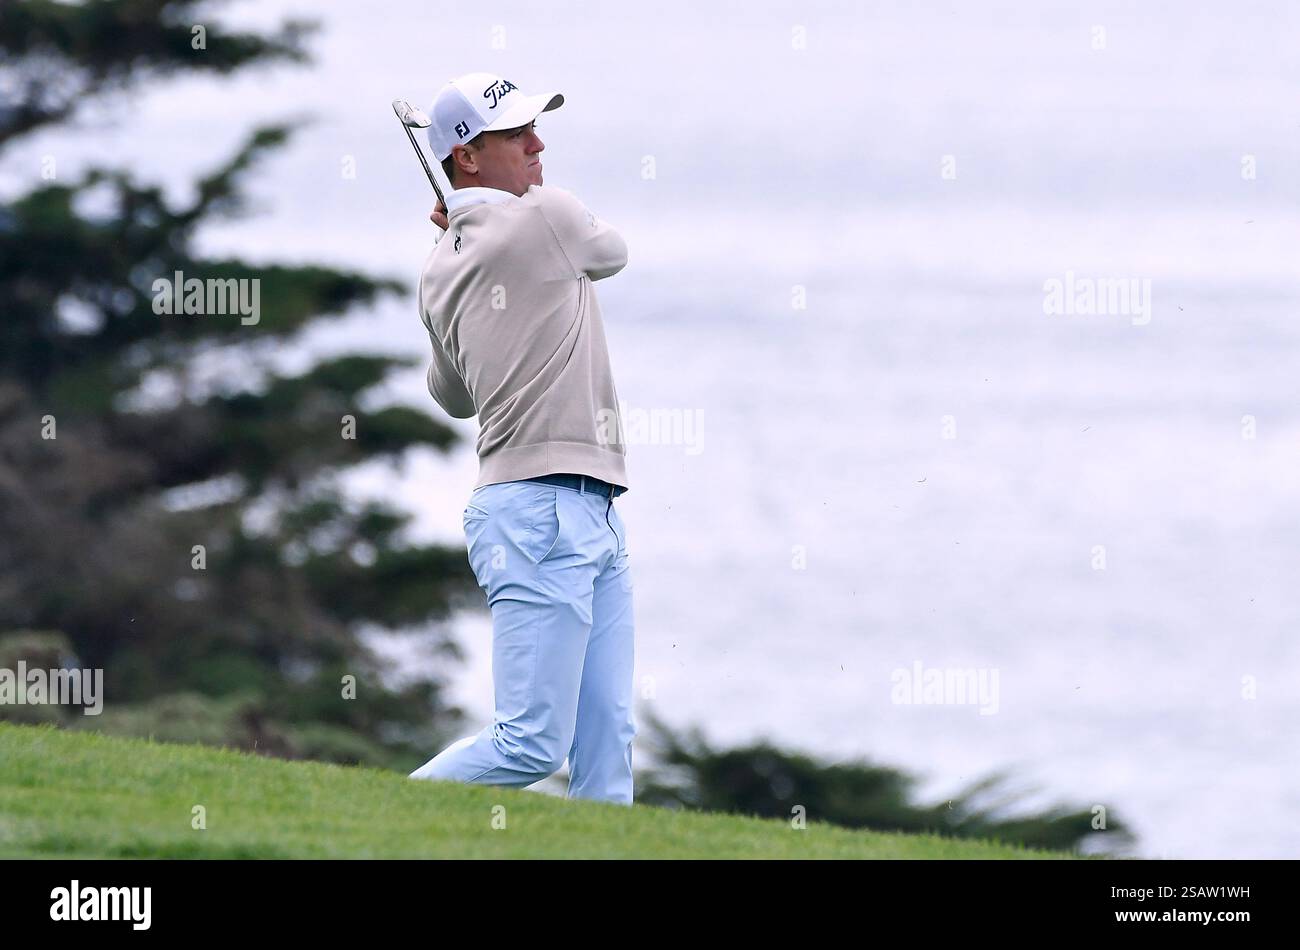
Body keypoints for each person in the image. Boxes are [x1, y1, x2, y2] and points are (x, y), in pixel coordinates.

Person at [408, 73, 636, 805]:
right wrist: (494, 224)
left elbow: (451, 397)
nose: (539, 147)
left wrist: (463, 239)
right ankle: (371, 815)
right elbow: (615, 250)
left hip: (575, 510)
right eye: (517, 135)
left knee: (607, 741)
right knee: (530, 742)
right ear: (467, 156)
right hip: (544, 513)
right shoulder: (549, 216)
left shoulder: (438, 267)